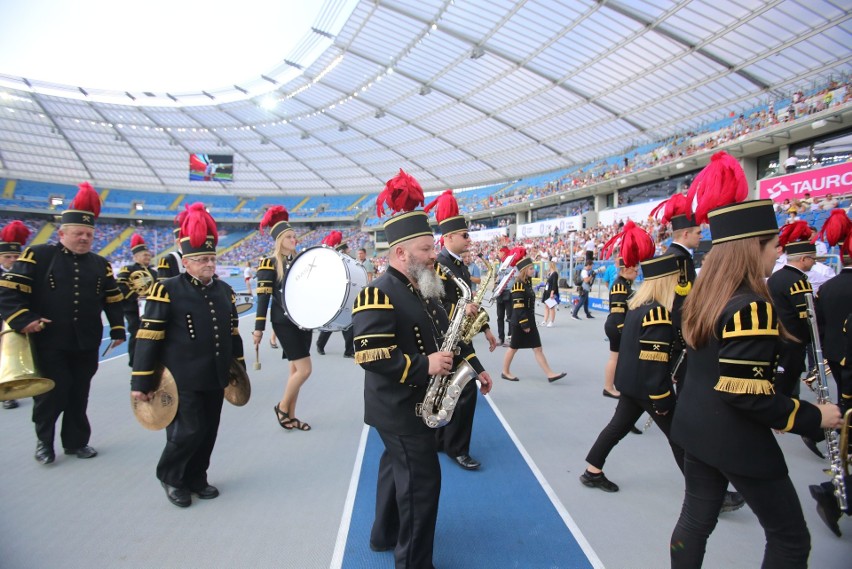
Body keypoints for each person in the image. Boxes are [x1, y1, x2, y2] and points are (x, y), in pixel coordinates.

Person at [670, 153, 843, 568]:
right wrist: (814, 416)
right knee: (790, 539)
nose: (778, 254)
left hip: (694, 425)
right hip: (735, 438)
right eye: (774, 246)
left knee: (695, 522)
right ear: (755, 248)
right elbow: (746, 396)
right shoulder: (751, 307)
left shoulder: (703, 295)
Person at [352, 170, 492, 568]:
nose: (436, 255)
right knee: (421, 485)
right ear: (400, 254)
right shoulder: (377, 292)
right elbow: (370, 356)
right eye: (428, 249)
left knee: (393, 470)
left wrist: (475, 366)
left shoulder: (425, 286)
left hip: (410, 404)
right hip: (401, 407)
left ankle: (383, 534)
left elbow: (450, 333)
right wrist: (423, 365)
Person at [0, 182, 126, 465]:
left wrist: (118, 327)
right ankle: (44, 443)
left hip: (86, 341)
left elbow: (112, 298)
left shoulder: (100, 263)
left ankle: (76, 442)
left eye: (89, 234)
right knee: (51, 394)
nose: (84, 238)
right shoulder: (38, 256)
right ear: (62, 234)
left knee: (79, 393)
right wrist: (25, 320)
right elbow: (7, 292)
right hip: (49, 341)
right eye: (78, 233)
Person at [131, 203, 244, 508]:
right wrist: (141, 379)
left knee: (208, 430)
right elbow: (148, 337)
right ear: (186, 262)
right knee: (187, 430)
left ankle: (197, 477)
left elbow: (233, 333)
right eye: (201, 260)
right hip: (182, 378)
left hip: (215, 375)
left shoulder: (224, 291)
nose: (209, 264)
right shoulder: (165, 289)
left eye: (211, 258)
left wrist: (238, 370)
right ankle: (171, 477)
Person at [581, 254, 684, 492]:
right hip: (648, 388)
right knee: (681, 437)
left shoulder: (639, 306)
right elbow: (654, 364)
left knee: (616, 428)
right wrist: (663, 399)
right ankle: (709, 494)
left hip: (631, 383)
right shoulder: (657, 312)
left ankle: (592, 470)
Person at [425, 189, 496, 472]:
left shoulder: (458, 265)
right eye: (465, 235)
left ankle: (443, 440)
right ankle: (457, 448)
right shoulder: (440, 265)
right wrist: (459, 311)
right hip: (445, 338)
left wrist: (485, 327)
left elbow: (471, 301)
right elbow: (434, 304)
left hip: (460, 336)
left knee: (454, 392)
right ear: (449, 237)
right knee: (463, 395)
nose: (469, 239)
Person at [253, 206, 314, 431]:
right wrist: (259, 329)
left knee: (294, 371)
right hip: (284, 323)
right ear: (279, 240)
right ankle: (281, 407)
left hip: (303, 322)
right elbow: (263, 300)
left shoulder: (299, 262)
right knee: (305, 370)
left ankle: (291, 415)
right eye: (289, 237)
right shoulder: (269, 263)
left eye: (294, 236)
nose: (293, 239)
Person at [599, 220, 653, 400]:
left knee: (616, 357)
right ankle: (608, 386)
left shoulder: (624, 284)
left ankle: (611, 385)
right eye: (634, 268)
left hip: (617, 325)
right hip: (616, 325)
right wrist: (624, 331)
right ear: (626, 269)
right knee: (615, 357)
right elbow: (617, 312)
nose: (637, 271)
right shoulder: (620, 286)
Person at [767, 220, 815, 398]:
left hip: (777, 338)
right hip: (793, 342)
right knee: (788, 388)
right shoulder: (800, 282)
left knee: (779, 384)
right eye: (813, 259)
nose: (814, 263)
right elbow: (806, 319)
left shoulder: (776, 277)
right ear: (804, 259)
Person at [501, 255, 566, 382]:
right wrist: (525, 324)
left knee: (537, 348)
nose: (533, 270)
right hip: (520, 322)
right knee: (513, 347)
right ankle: (505, 371)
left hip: (529, 321)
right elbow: (518, 306)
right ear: (525, 270)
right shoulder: (519, 285)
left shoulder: (527, 283)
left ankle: (550, 374)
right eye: (531, 268)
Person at [0, 220, 31, 410]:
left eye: (15, 256)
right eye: (8, 256)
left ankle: (9, 392)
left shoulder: (26, 274)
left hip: (15, 322)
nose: (12, 260)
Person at [116, 234, 157, 367]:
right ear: (136, 257)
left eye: (148, 255)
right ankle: (134, 361)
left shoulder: (154, 272)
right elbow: (121, 286)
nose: (148, 257)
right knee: (136, 333)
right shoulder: (128, 269)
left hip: (150, 306)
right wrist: (135, 297)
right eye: (145, 255)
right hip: (133, 308)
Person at [315, 232, 355, 358]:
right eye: (346, 250)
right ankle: (320, 344)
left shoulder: (349, 263)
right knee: (330, 324)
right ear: (342, 251)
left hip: (346, 298)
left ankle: (348, 351)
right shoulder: (332, 264)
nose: (348, 252)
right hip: (334, 298)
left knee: (348, 325)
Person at [494, 246, 514, 346]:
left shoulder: (512, 263)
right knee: (500, 316)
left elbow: (515, 275)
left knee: (510, 316)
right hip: (500, 292)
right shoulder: (501, 263)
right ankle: (500, 337)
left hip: (508, 291)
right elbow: (500, 276)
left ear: (504, 252)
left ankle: (510, 337)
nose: (498, 254)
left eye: (499, 252)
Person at [541, 261, 559, 327]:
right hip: (547, 291)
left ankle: (551, 321)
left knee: (551, 307)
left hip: (551, 291)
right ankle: (545, 320)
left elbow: (554, 284)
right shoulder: (549, 273)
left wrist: (552, 293)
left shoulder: (555, 274)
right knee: (546, 306)